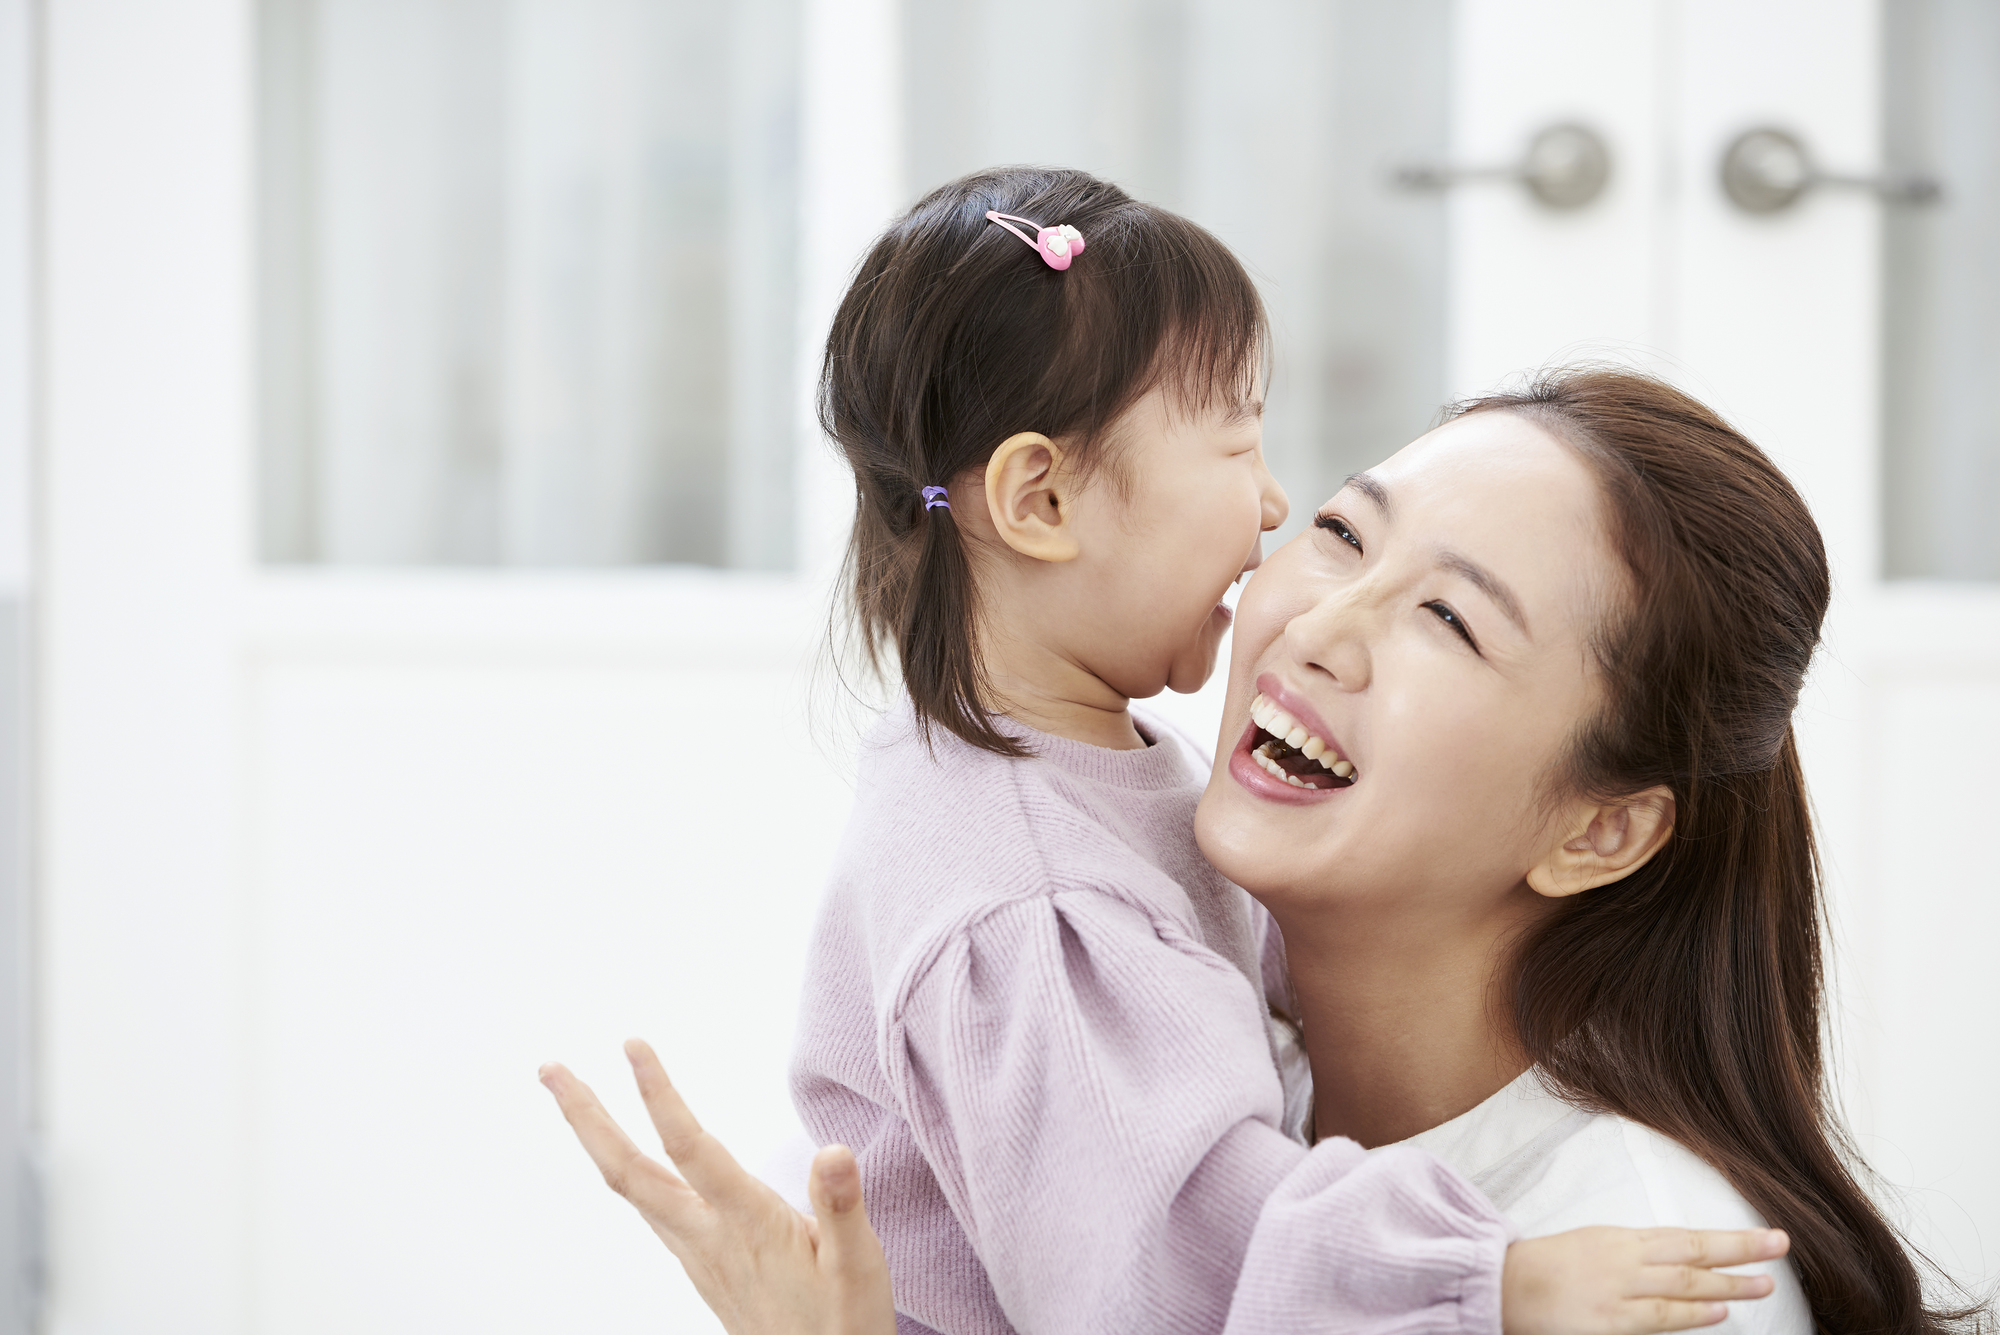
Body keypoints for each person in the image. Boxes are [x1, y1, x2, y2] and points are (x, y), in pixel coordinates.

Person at [548, 167, 1795, 1335]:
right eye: (1341, 531)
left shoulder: (1657, 1259)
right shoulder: (1032, 901)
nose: (1288, 557)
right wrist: (1479, 1281)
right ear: (1039, 503)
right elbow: (1170, 1253)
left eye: (1448, 618)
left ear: (1601, 826)